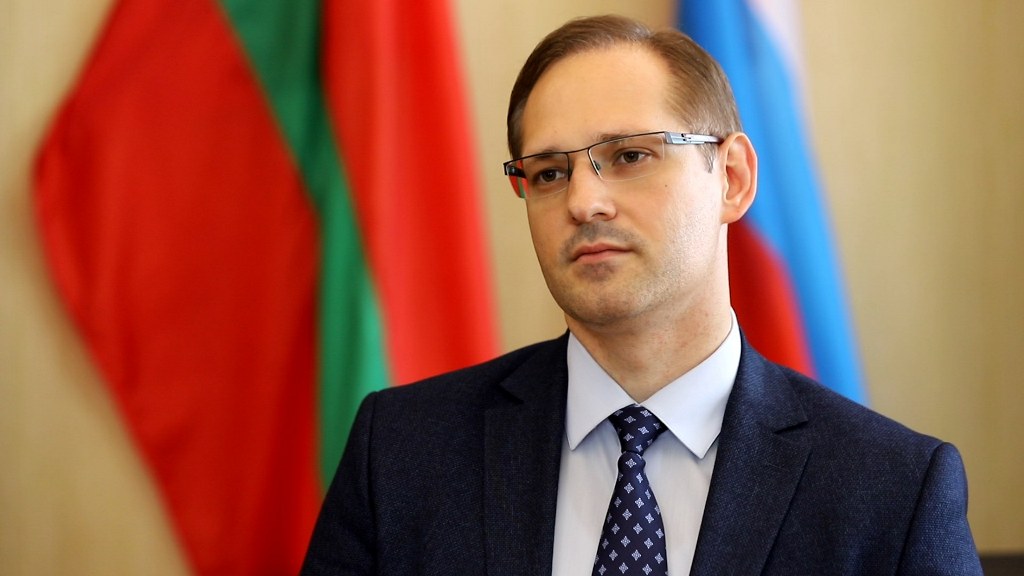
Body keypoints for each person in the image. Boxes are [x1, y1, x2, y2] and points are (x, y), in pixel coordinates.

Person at [301, 14, 981, 576]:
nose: (583, 202)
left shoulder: (891, 492)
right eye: (549, 173)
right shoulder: (402, 454)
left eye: (629, 156)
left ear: (733, 178)